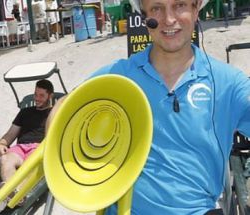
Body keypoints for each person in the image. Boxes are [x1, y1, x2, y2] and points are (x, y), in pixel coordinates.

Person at [46, 0, 250, 214]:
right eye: (157, 8)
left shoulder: (227, 82)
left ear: (196, 9)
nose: (169, 20)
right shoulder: (118, 76)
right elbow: (63, 108)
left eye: (179, 5)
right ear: (144, 16)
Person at [0, 79, 54, 214]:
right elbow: (11, 133)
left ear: (50, 96)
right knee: (5, 159)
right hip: (20, 148)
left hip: (39, 148)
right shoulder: (25, 112)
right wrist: (2, 143)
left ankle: (3, 198)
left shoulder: (54, 113)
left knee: (30, 166)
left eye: (41, 95)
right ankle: (16, 196)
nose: (37, 98)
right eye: (35, 94)